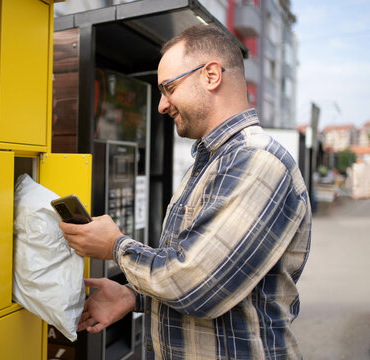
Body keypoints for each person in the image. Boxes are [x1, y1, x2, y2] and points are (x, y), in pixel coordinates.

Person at [59, 24, 311, 360]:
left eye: (169, 88)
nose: (162, 105)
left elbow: (200, 285)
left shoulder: (256, 161)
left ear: (210, 75)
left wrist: (115, 246)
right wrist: (134, 297)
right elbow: (221, 286)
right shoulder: (211, 161)